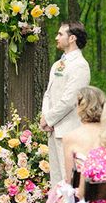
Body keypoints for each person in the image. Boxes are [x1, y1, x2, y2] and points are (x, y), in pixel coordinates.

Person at [39, 20, 91, 186]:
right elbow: (48, 93)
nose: (56, 37)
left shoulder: (80, 66)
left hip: (69, 130)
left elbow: (70, 100)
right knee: (56, 181)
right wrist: (45, 117)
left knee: (69, 181)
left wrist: (50, 119)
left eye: (60, 34)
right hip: (53, 129)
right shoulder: (57, 65)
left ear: (72, 38)